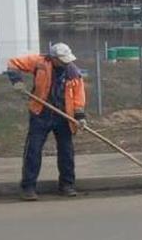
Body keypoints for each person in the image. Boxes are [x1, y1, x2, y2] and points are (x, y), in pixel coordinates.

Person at [6, 43, 87, 201]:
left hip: (64, 116)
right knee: (33, 150)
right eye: (62, 60)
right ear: (53, 58)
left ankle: (67, 185)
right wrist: (17, 81)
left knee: (66, 151)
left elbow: (79, 97)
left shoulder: (73, 72)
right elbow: (13, 63)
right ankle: (28, 188)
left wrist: (80, 117)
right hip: (40, 113)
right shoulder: (40, 62)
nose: (65, 63)